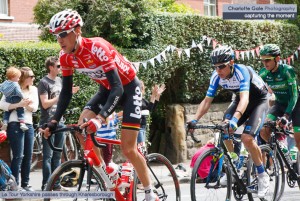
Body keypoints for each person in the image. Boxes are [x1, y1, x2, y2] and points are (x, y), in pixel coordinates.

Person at [41, 9, 158, 201]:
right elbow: (66, 93)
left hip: (128, 89)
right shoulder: (65, 57)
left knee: (129, 149)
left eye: (63, 34)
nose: (60, 40)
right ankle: (108, 174)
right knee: (81, 128)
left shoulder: (97, 47)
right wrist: (53, 121)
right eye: (56, 36)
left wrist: (101, 118)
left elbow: (118, 88)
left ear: (77, 30)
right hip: (106, 91)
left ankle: (148, 192)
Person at [187, 46, 270, 198]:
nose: (218, 71)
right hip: (240, 100)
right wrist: (194, 120)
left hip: (259, 101)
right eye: (215, 67)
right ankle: (236, 162)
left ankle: (263, 175)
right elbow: (207, 101)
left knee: (247, 138)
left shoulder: (241, 71)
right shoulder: (216, 76)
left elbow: (245, 98)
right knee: (224, 128)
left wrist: (235, 120)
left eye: (221, 66)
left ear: (231, 62)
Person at [38, 56, 79, 191]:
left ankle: (55, 185)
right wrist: (62, 95)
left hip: (60, 121)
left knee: (58, 154)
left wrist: (69, 94)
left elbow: (63, 100)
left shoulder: (60, 81)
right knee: (48, 156)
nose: (61, 68)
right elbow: (45, 104)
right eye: (58, 66)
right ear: (51, 67)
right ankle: (46, 185)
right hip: (47, 122)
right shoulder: (43, 82)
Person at [0, 67, 39, 191]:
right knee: (18, 156)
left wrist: (24, 105)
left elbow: (34, 108)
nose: (33, 78)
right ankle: (15, 185)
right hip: (15, 124)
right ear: (24, 77)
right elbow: (2, 105)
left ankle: (25, 184)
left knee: (28, 155)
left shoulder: (33, 89)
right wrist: (19, 105)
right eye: (31, 76)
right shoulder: (11, 87)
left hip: (29, 124)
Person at [259, 44, 300, 152]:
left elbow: (294, 96)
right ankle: (280, 149)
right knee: (263, 130)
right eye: (262, 60)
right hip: (280, 103)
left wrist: (286, 116)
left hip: (295, 104)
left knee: (298, 139)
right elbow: (257, 93)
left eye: (267, 60)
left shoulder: (287, 70)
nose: (265, 63)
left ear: (277, 59)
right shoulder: (263, 73)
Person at [138, 81, 165, 150]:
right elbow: (148, 110)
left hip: (143, 126)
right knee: (141, 148)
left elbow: (152, 108)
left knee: (141, 148)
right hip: (138, 127)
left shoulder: (143, 99)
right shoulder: (136, 100)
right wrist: (153, 95)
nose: (142, 88)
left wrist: (157, 95)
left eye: (142, 87)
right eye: (141, 87)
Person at [0, 67, 28, 131]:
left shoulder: (5, 83)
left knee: (7, 111)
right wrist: (23, 97)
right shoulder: (15, 84)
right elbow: (19, 92)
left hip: (8, 99)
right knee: (20, 109)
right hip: (16, 98)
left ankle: (5, 123)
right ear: (13, 77)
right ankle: (22, 123)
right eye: (18, 77)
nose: (18, 79)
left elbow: (1, 87)